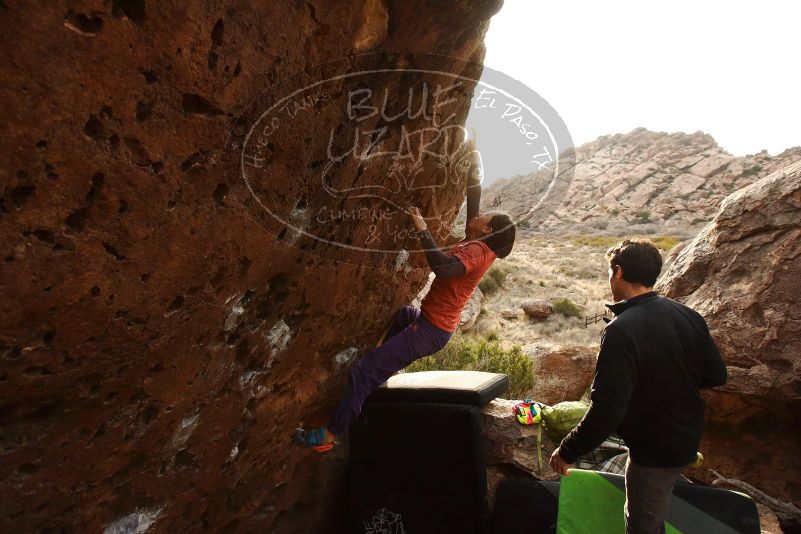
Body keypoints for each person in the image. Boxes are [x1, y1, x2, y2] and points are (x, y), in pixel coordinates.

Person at [292, 134, 516, 452]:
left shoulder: (478, 252)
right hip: (428, 323)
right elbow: (474, 194)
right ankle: (384, 367)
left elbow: (443, 268)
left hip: (431, 330)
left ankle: (329, 436)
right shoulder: (479, 237)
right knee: (401, 315)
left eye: (485, 218)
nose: (479, 216)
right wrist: (474, 152)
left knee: (362, 371)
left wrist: (421, 228)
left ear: (487, 231)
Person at [548, 237, 727, 534]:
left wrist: (567, 450)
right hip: (685, 437)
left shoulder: (621, 330)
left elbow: (607, 409)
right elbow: (716, 375)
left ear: (617, 272)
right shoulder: (688, 315)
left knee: (643, 526)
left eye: (609, 272)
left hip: (654, 450)